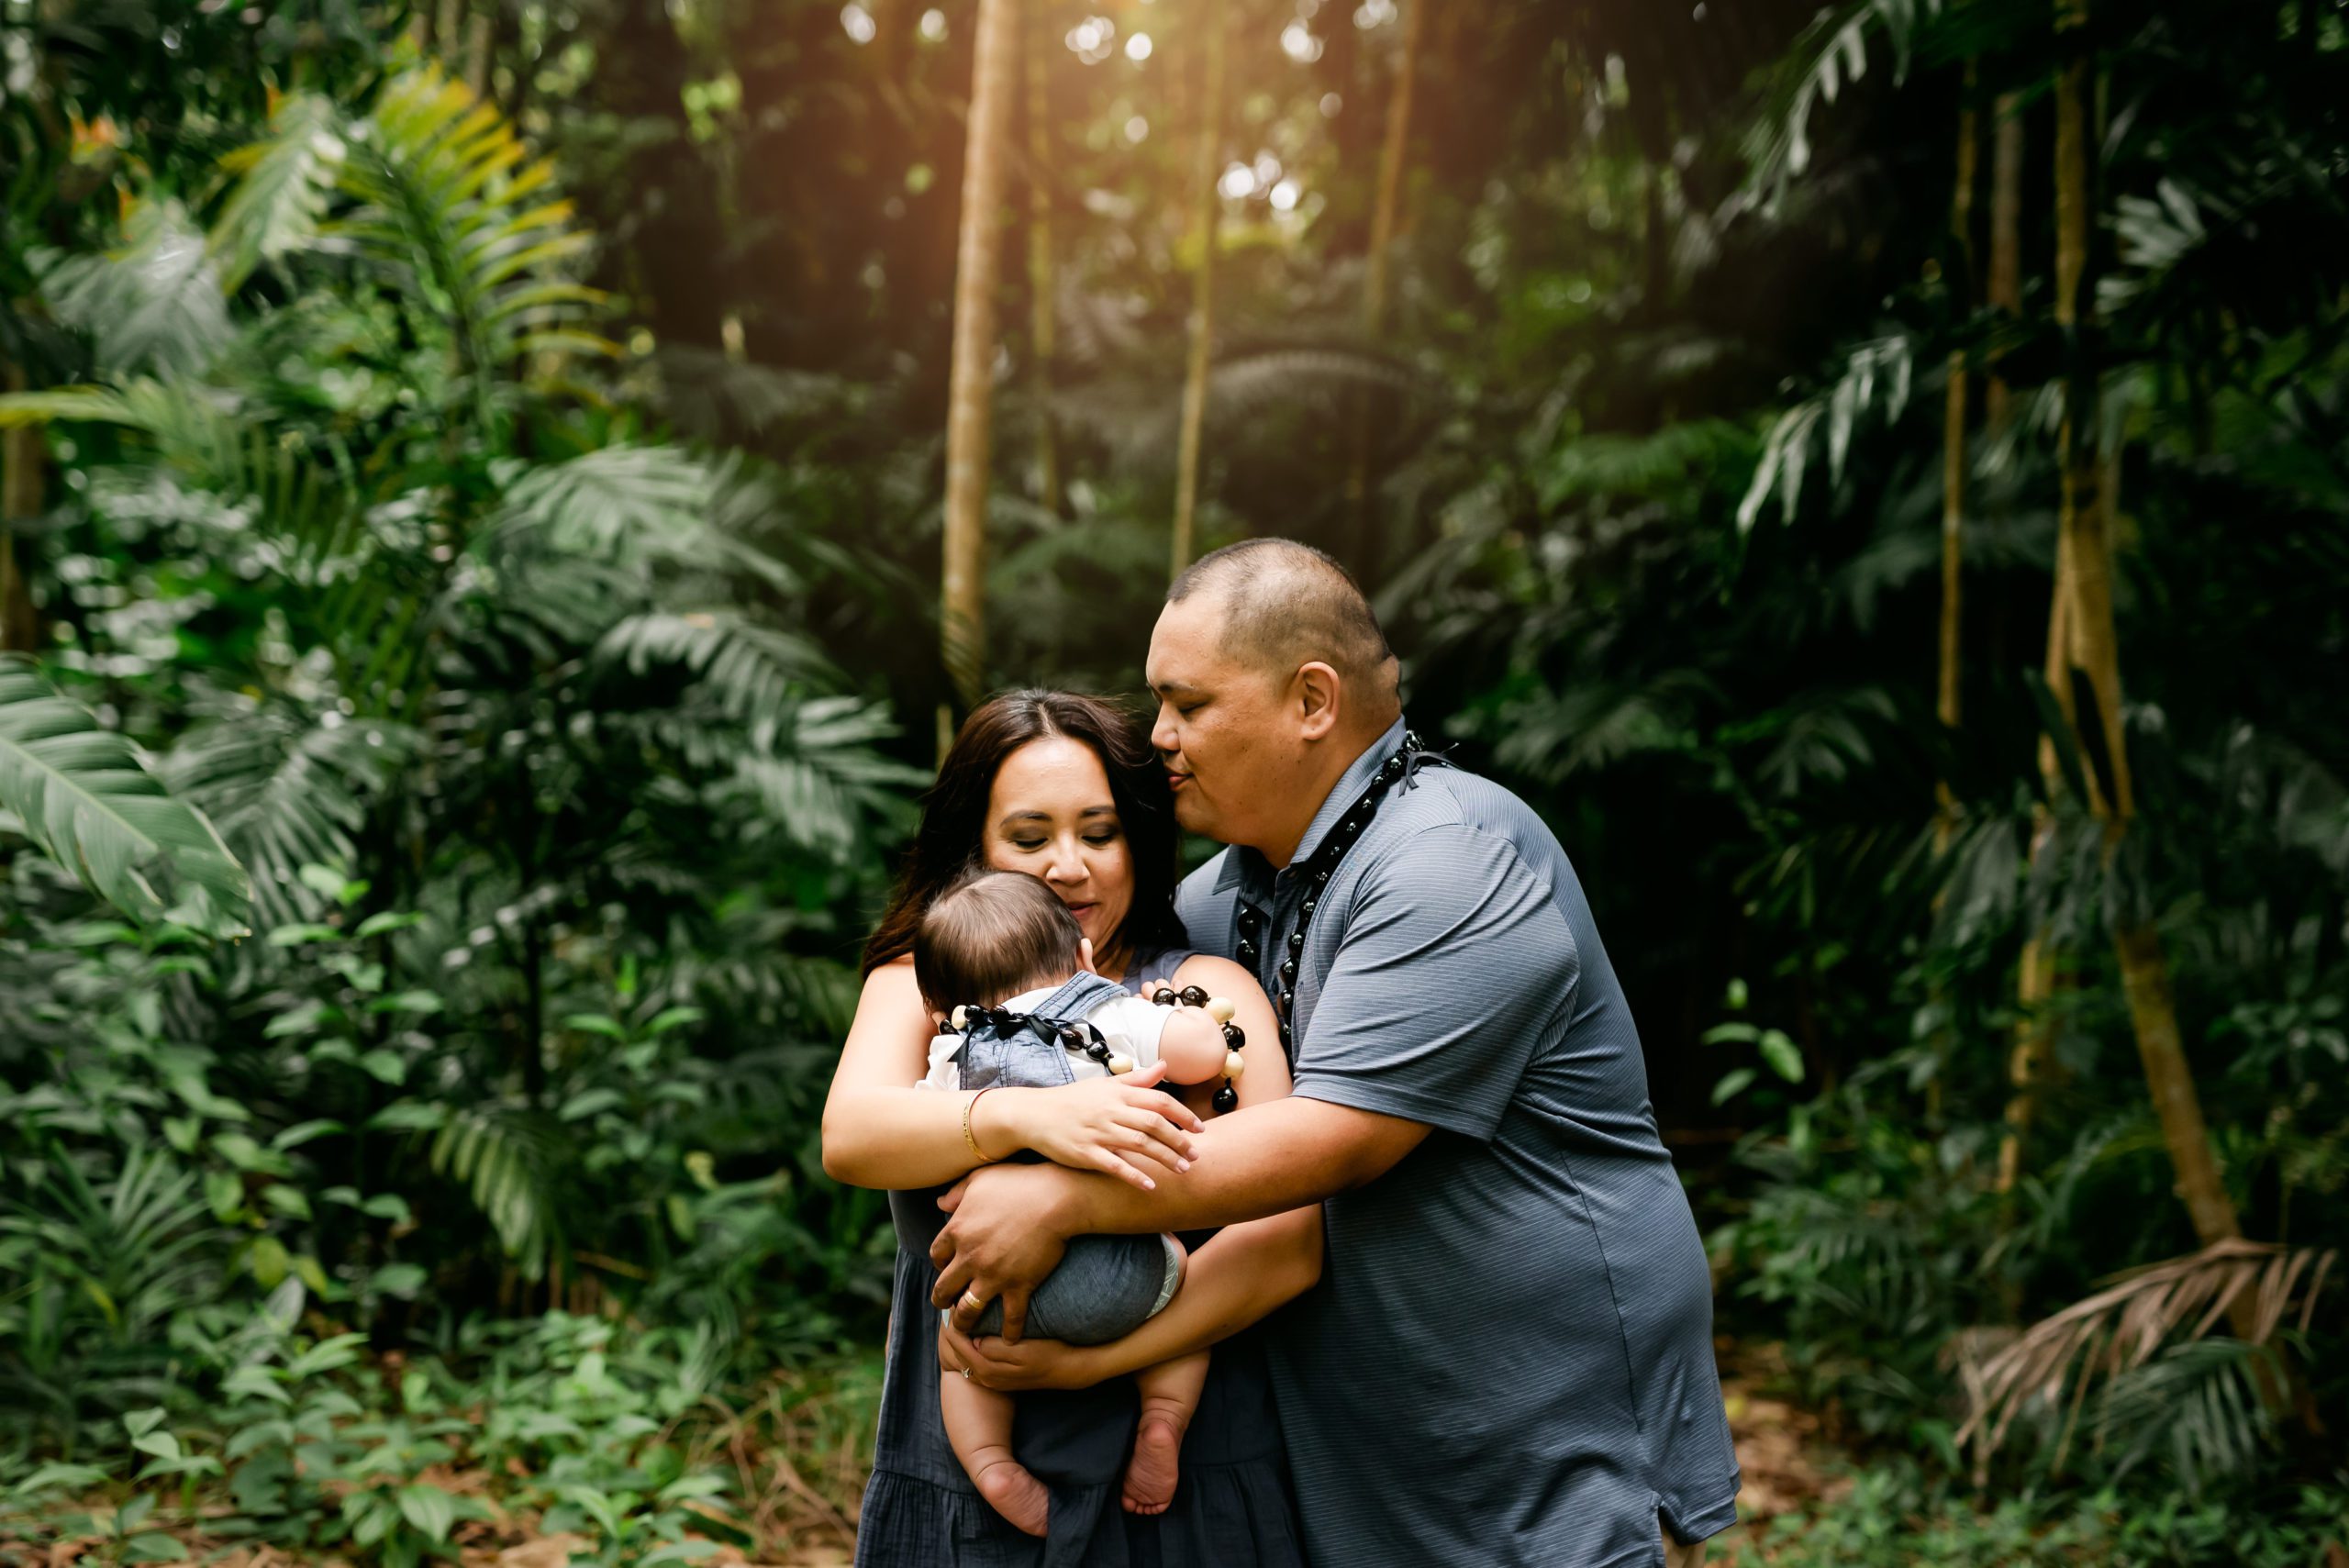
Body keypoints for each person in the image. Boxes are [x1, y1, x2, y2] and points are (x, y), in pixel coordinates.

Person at [931, 540, 1742, 1568]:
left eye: (1187, 703)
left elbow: (1336, 1140)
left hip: (1534, 1417)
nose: (1158, 738)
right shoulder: (1223, 893)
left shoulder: (1450, 856)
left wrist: (1064, 1201)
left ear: (1311, 699)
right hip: (1360, 1423)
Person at [822, 689, 1311, 1566]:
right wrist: (1032, 1111)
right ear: (974, 849)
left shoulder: (1204, 993)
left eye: (1099, 831)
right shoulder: (924, 989)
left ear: (1140, 840)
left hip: (1189, 1469)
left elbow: (1287, 1242)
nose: (1068, 866)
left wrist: (1087, 1363)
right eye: (1029, 836)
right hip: (971, 1471)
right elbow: (851, 1134)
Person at [910, 869, 1278, 1531]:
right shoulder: (1105, 1011)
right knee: (1187, 1278)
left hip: (990, 1295)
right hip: (1122, 1277)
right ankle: (1163, 1418)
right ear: (1083, 957)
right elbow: (1200, 1053)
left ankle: (991, 1460)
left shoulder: (949, 1053)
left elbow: (915, 1134)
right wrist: (1179, 1013)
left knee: (956, 1356)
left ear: (941, 1008)